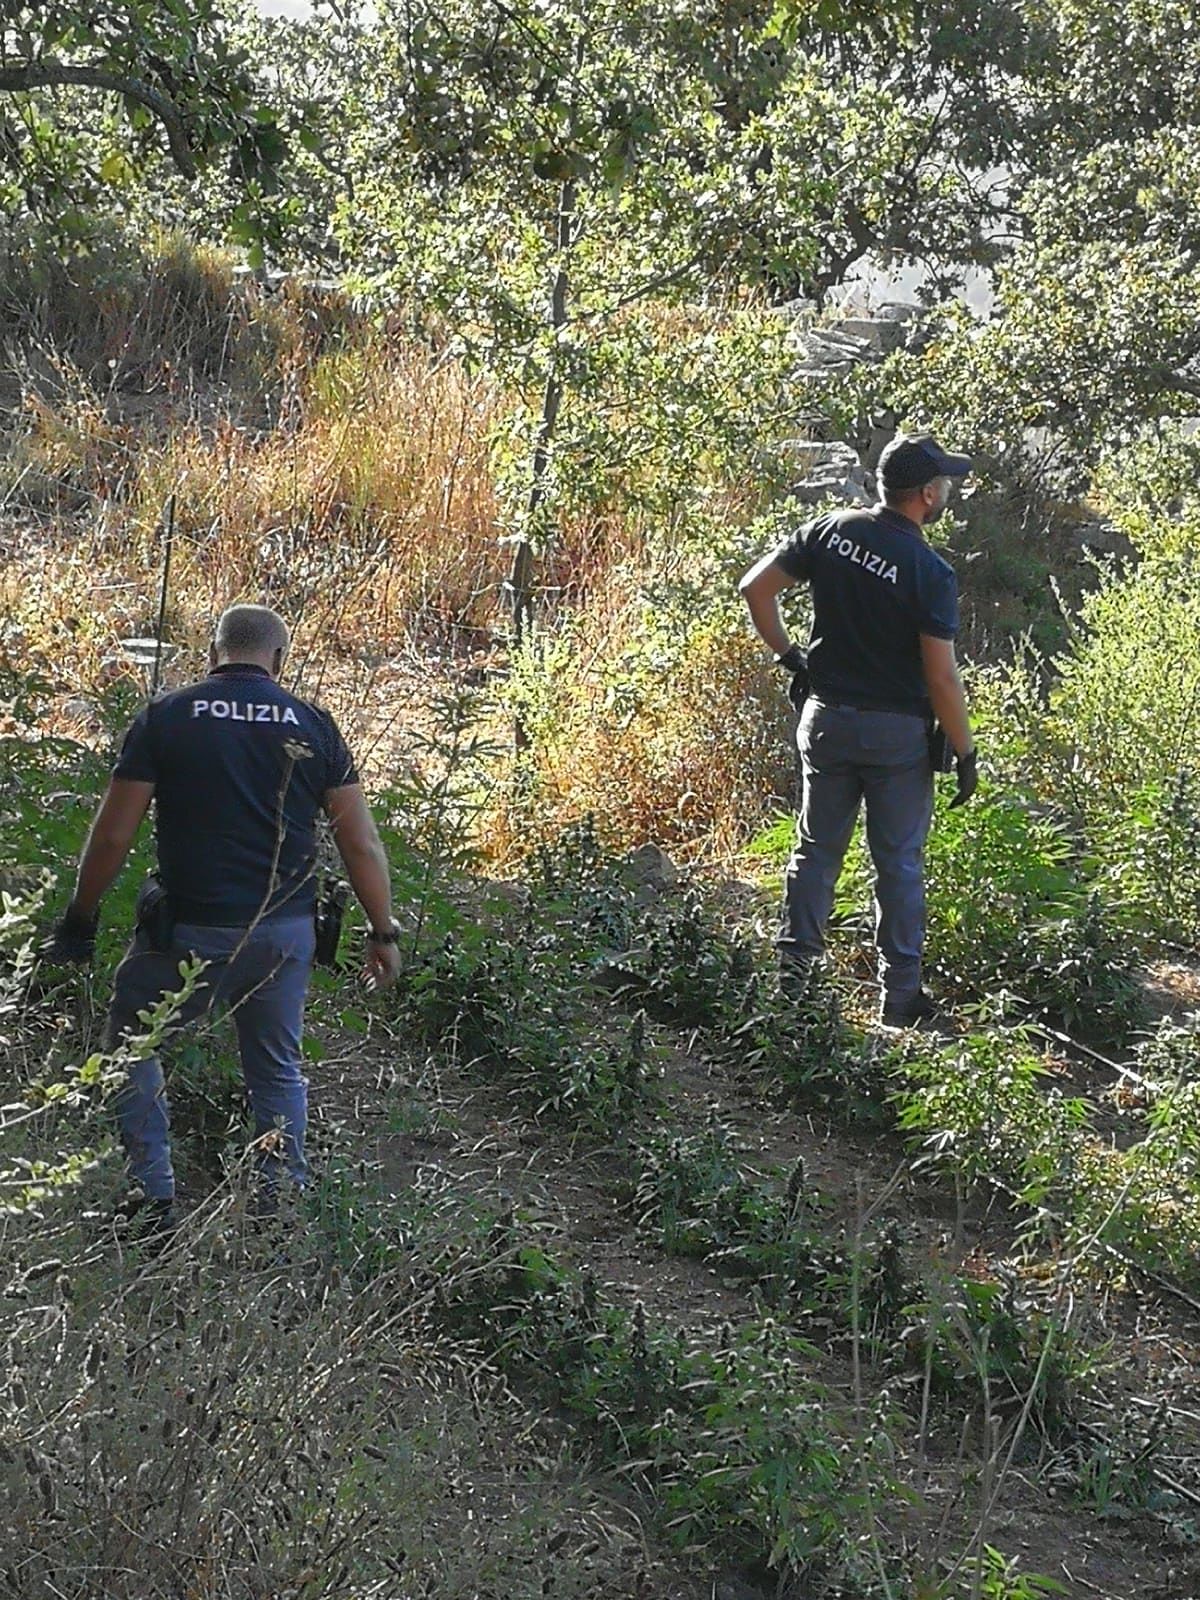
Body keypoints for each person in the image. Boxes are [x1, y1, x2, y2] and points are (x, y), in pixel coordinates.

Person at [44, 603, 402, 1235]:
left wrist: (81, 917)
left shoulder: (169, 716)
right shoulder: (313, 724)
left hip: (188, 929)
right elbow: (362, 844)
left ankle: (152, 1200)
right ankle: (277, 1211)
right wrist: (382, 931)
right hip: (285, 931)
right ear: (280, 660)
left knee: (133, 1047)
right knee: (276, 1069)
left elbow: (111, 836)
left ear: (213, 654)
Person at [738, 433, 978, 1027]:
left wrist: (792, 658)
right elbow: (942, 678)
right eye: (944, 482)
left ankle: (795, 985)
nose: (946, 489)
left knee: (815, 851)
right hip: (896, 736)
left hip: (825, 719)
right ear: (926, 494)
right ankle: (899, 1002)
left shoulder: (830, 530)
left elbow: (755, 589)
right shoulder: (930, 570)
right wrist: (966, 751)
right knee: (896, 862)